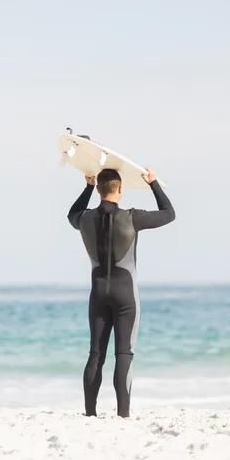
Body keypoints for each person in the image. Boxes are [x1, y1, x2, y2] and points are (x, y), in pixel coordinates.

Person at [68, 167, 176, 418]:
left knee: (96, 353)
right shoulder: (132, 217)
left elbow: (71, 214)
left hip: (98, 293)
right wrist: (153, 183)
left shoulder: (84, 219)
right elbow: (169, 214)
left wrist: (85, 187)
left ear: (98, 190)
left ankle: (90, 414)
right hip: (125, 294)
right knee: (124, 354)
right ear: (120, 188)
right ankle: (123, 414)